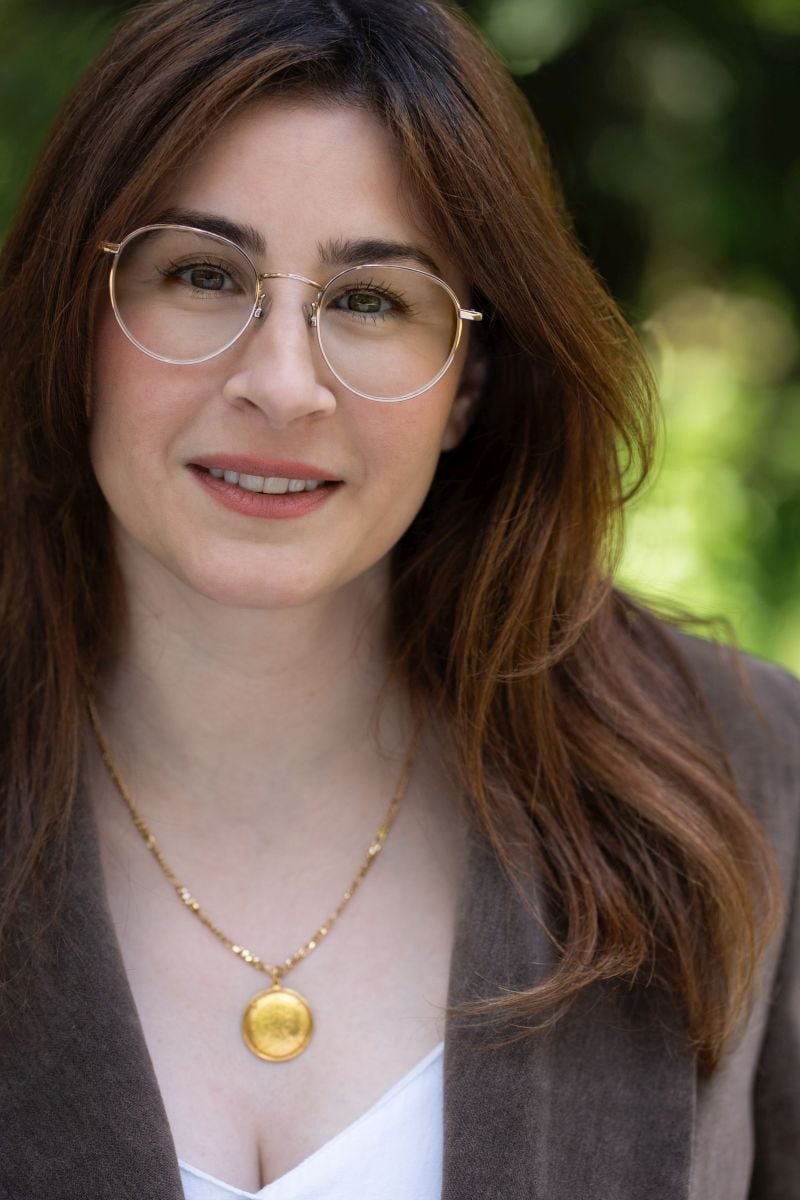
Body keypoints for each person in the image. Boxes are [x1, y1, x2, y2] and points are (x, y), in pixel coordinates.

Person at [0, 1, 797, 1197]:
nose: (281, 385)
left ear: (466, 384)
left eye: (369, 300)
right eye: (203, 275)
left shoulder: (748, 776)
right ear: (79, 322)